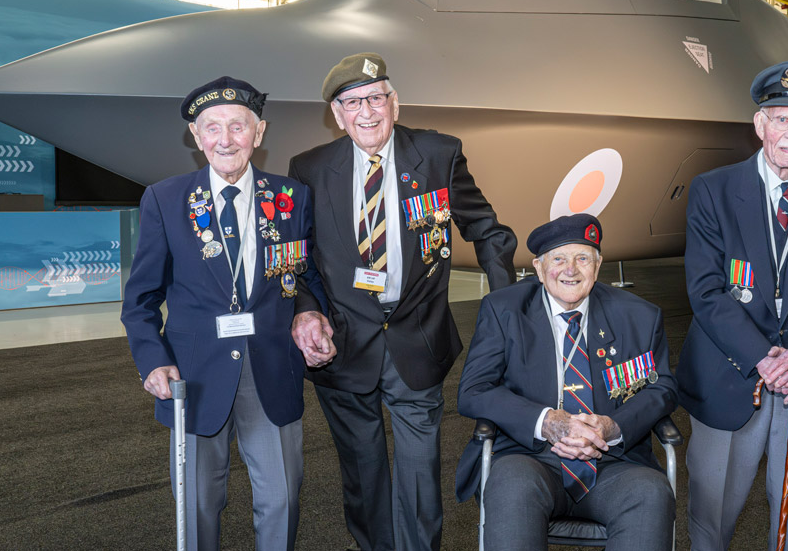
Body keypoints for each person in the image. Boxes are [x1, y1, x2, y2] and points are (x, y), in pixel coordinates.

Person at [288, 52, 518, 551]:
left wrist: (507, 308)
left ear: (395, 102)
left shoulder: (438, 154)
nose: (366, 112)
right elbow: (298, 259)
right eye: (352, 102)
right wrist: (306, 309)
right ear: (336, 114)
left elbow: (486, 229)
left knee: (418, 476)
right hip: (343, 346)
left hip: (417, 337)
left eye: (375, 98)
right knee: (362, 473)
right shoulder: (309, 168)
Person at [122, 76, 323, 551]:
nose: (225, 139)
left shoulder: (292, 198)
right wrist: (152, 360)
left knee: (282, 500)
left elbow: (308, 279)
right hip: (194, 375)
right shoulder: (165, 200)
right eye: (212, 128)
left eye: (238, 126)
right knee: (196, 506)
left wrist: (309, 314)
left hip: (271, 368)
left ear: (260, 132)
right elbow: (140, 300)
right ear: (197, 137)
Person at [678, 61, 788, 551]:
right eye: (782, 119)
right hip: (729, 376)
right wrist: (762, 357)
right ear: (760, 125)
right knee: (711, 521)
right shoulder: (713, 190)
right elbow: (706, 290)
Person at [455, 214, 678, 550]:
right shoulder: (505, 310)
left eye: (582, 258)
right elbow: (473, 391)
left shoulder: (639, 315)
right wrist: (545, 421)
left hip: (614, 463)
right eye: (558, 259)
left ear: (598, 266)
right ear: (540, 268)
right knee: (510, 485)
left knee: (651, 493)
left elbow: (662, 387)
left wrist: (611, 426)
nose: (570, 269)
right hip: (531, 459)